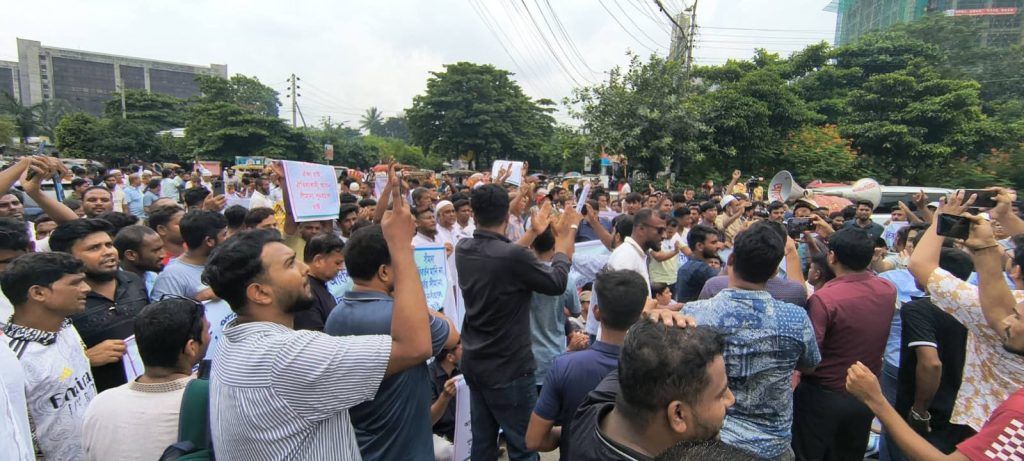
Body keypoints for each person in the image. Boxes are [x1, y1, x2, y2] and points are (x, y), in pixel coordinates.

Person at [203, 165, 436, 459]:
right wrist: (400, 247)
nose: (305, 268)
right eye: (290, 264)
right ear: (259, 293)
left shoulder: (230, 342)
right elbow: (415, 347)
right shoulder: (289, 356)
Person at [454, 183, 581, 461]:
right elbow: (557, 282)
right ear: (507, 214)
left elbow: (504, 256)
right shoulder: (512, 256)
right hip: (508, 368)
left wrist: (533, 233)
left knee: (482, 444)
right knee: (524, 447)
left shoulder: (464, 248)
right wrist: (563, 241)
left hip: (475, 362)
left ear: (473, 213)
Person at [683, 222, 820, 459]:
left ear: (731, 259)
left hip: (712, 443)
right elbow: (810, 365)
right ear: (774, 270)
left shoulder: (694, 314)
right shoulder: (795, 318)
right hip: (772, 445)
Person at [325, 224, 458, 460]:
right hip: (405, 449)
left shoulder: (335, 316)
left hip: (363, 446)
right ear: (384, 272)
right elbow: (452, 335)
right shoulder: (396, 316)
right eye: (406, 265)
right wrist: (410, 302)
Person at [907, 189, 1024, 435]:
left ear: (1015, 270)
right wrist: (1006, 217)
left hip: (992, 425)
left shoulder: (995, 308)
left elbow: (920, 265)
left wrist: (942, 218)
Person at [792, 227, 897, 459]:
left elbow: (810, 358)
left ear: (832, 257)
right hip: (864, 394)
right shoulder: (887, 289)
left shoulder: (824, 299)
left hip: (822, 396)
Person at [569, 320, 733, 460]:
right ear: (678, 414)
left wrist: (652, 326)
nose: (731, 399)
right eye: (720, 395)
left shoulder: (589, 410)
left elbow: (639, 359)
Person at [527, 269, 646, 460]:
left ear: (596, 312)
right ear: (641, 314)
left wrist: (572, 432)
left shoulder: (564, 366)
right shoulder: (655, 369)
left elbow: (535, 440)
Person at [81, 297, 210, 461]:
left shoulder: (100, 404)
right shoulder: (210, 398)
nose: (209, 336)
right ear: (191, 347)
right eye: (207, 331)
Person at [0, 252, 94, 461]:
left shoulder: (67, 327)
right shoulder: (11, 358)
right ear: (38, 293)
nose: (86, 288)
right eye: (75, 283)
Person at [50, 219, 150, 392]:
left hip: (146, 388)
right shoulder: (62, 301)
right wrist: (85, 359)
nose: (108, 252)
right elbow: (46, 369)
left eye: (109, 245)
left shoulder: (133, 280)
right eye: (94, 248)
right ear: (68, 257)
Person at [698, 222, 808, 307]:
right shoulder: (795, 294)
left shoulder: (713, 287)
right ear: (775, 270)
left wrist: (740, 241)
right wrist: (792, 251)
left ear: (731, 259)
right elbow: (801, 292)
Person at [528, 225, 581, 391]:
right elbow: (576, 310)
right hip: (554, 356)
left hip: (526, 359)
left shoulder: (522, 274)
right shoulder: (565, 278)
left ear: (531, 245)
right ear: (554, 248)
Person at [151, 210, 227, 301]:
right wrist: (198, 300)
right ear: (209, 241)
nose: (229, 238)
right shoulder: (171, 276)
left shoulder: (224, 264)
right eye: (224, 235)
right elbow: (164, 310)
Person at [294, 233, 345, 331]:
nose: (341, 268)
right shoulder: (305, 292)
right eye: (337, 263)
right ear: (318, 260)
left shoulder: (317, 287)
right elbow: (312, 334)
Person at [607, 208, 665, 288]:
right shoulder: (626, 256)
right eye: (660, 230)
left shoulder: (635, 254)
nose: (664, 236)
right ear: (641, 229)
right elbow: (620, 294)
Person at [113, 224, 166, 297]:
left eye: (162, 248)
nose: (163, 255)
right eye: (155, 251)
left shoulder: (154, 277)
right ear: (131, 255)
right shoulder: (113, 285)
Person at [675, 225, 723, 302]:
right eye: (714, 243)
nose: (719, 246)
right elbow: (727, 280)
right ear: (699, 246)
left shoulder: (690, 265)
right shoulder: (698, 268)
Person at [429, 341, 462, 445]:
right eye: (461, 348)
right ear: (450, 357)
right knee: (445, 450)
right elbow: (429, 419)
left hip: (459, 428)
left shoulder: (459, 370)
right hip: (438, 433)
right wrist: (445, 396)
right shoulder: (428, 377)